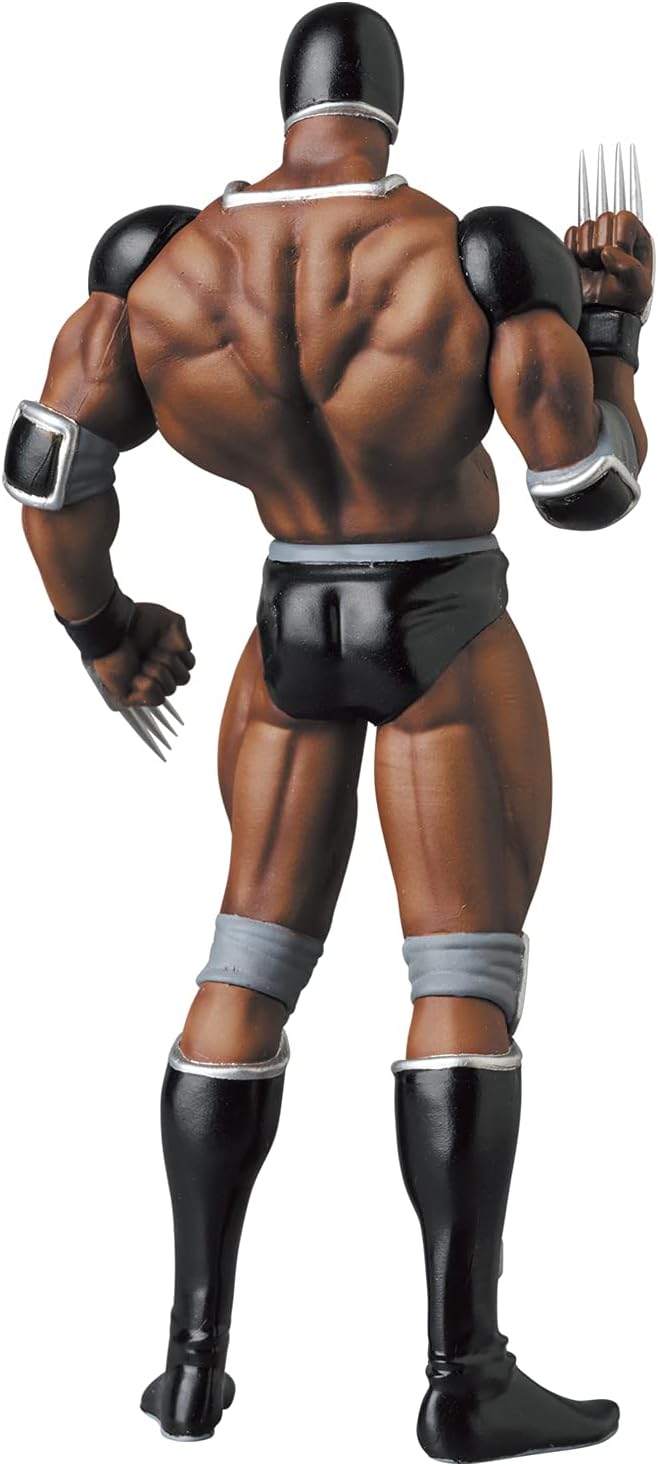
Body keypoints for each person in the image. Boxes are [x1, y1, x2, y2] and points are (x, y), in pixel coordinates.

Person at [3, 4, 652, 1459]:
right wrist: (611, 334)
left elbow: (45, 472)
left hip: (288, 627)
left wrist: (102, 629)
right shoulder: (472, 254)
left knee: (244, 963)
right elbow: (586, 490)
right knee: (461, 980)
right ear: (390, 105)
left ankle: (190, 1365)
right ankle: (465, 1377)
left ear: (287, 105)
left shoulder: (162, 265)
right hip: (440, 626)